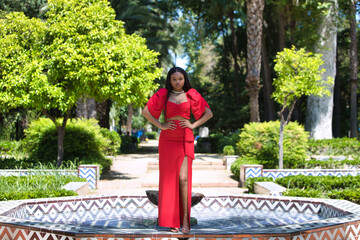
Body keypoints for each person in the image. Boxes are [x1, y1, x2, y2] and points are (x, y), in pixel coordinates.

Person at [142, 67, 213, 234]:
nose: (177, 82)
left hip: (185, 138)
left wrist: (193, 125)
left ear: (184, 79)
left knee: (183, 179)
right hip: (168, 140)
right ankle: (173, 221)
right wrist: (161, 125)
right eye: (174, 79)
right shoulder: (163, 94)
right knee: (169, 180)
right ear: (170, 80)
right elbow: (146, 112)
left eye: (180, 79)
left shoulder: (191, 94)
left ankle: (185, 220)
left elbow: (208, 113)